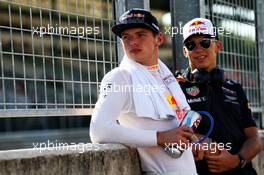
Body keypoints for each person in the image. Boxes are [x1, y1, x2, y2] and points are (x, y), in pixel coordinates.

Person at [90, 8, 198, 175]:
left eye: (141, 34)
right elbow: (99, 131)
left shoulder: (166, 77)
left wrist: (190, 140)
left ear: (159, 39)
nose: (133, 42)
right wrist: (160, 138)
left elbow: (174, 124)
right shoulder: (120, 77)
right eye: (126, 37)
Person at [176, 17, 262, 175]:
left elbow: (254, 139)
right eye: (191, 45)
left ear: (218, 46)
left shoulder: (235, 88)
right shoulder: (175, 88)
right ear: (184, 51)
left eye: (205, 42)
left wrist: (237, 160)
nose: (198, 49)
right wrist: (205, 143)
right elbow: (168, 130)